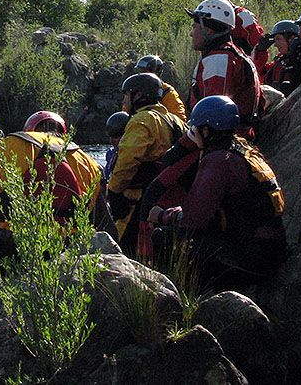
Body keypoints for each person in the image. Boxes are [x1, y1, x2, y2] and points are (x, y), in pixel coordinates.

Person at [0, 111, 100, 304]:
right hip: (65, 247)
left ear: (30, 129)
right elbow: (94, 219)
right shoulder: (88, 161)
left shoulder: (11, 144)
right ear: (63, 133)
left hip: (12, 245)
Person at [147, 95, 287, 287]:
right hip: (268, 248)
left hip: (252, 258)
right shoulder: (243, 147)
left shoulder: (219, 162)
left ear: (206, 130)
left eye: (195, 128)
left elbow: (193, 220)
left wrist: (163, 215)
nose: (192, 132)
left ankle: (181, 297)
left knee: (163, 236)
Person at [107, 73, 186, 256]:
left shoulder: (142, 120)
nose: (124, 100)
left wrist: (114, 191)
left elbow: (127, 161)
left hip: (139, 199)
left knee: (123, 249)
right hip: (168, 196)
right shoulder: (176, 120)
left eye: (126, 95)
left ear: (139, 96)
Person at [186, 0, 264, 140]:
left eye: (194, 26)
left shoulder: (218, 60)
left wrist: (182, 145)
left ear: (208, 30)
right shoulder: (229, 54)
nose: (192, 33)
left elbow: (213, 116)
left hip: (223, 141)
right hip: (229, 136)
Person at [205, 0, 269, 77]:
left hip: (237, 73)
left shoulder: (242, 15)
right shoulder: (207, 16)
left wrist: (249, 75)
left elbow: (259, 47)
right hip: (212, 69)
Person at [134, 54, 187, 121]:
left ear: (155, 73)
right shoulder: (135, 91)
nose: (140, 75)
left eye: (143, 72)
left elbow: (180, 119)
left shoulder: (167, 92)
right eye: (139, 72)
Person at [262, 20, 301, 95]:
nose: (275, 45)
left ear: (291, 39)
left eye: (278, 39)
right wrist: (260, 52)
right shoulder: (279, 61)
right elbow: (260, 76)